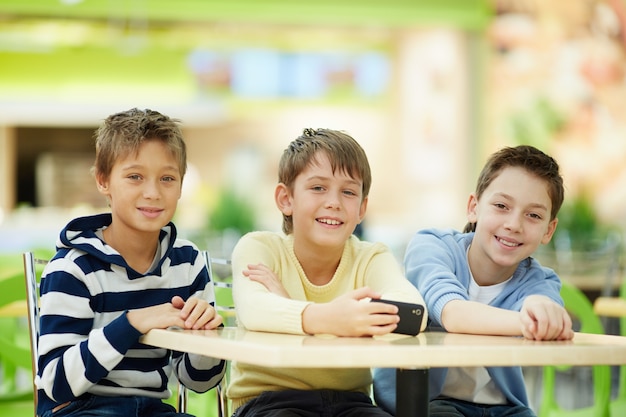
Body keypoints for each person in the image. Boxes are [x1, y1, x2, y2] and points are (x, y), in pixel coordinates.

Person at [36, 108, 226, 417]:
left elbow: (200, 382)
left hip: (153, 409)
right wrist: (132, 324)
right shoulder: (73, 268)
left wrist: (205, 336)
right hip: (80, 409)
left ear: (181, 185)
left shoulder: (187, 263)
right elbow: (57, 383)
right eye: (135, 176)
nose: (152, 193)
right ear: (103, 180)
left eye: (167, 178)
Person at [227, 128, 427, 417]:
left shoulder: (371, 258)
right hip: (270, 401)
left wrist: (290, 309)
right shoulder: (259, 248)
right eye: (318, 188)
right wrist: (336, 320)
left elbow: (412, 314)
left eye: (348, 192)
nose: (334, 202)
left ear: (362, 208)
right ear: (285, 199)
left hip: (351, 403)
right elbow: (254, 309)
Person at [374, 145, 575, 417]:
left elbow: (543, 304)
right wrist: (529, 321)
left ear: (548, 230)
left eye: (534, 215)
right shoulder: (432, 247)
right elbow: (453, 313)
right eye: (501, 206)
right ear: (474, 208)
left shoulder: (540, 282)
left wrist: (543, 308)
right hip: (429, 403)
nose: (514, 224)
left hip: (503, 407)